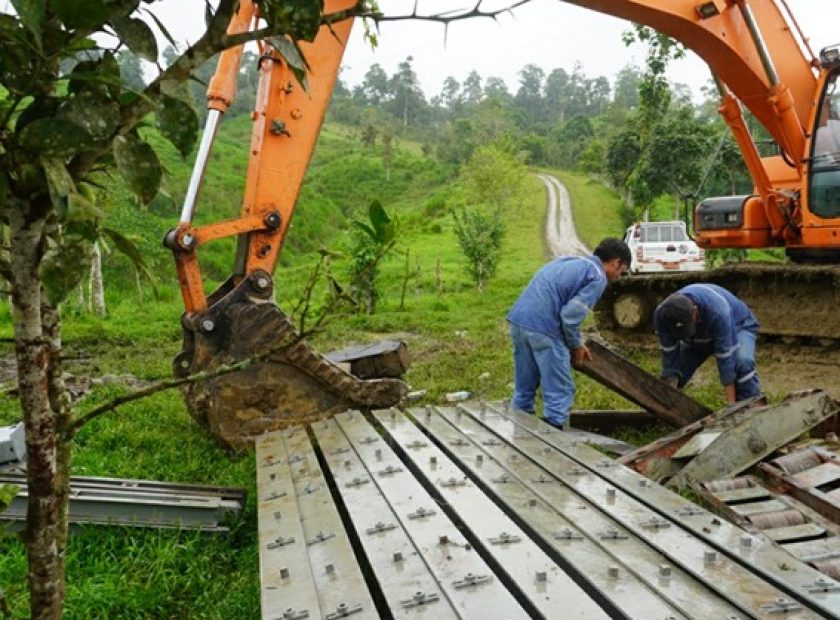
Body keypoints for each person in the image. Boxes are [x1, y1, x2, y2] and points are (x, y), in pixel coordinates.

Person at [507, 238, 631, 429]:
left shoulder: (568, 262)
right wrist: (575, 345)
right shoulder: (597, 276)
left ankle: (519, 436)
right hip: (545, 329)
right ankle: (550, 445)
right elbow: (570, 316)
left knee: (524, 389)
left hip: (519, 322)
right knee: (559, 392)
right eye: (621, 271)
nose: (617, 277)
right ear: (616, 262)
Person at [654, 283, 761, 403]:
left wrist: (731, 405)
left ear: (694, 311)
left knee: (742, 362)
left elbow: (726, 358)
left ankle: (752, 406)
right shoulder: (662, 314)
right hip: (699, 337)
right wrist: (670, 385)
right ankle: (667, 408)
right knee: (678, 370)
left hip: (737, 326)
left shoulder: (718, 311)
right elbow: (669, 354)